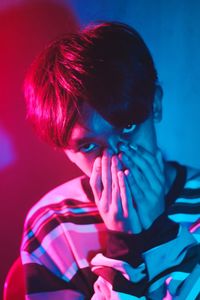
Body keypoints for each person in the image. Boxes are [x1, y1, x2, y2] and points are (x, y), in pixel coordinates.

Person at [20, 21, 200, 299]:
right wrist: (123, 246)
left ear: (155, 105)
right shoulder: (53, 224)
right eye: (90, 145)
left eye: (127, 127)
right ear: (64, 149)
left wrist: (157, 231)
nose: (116, 158)